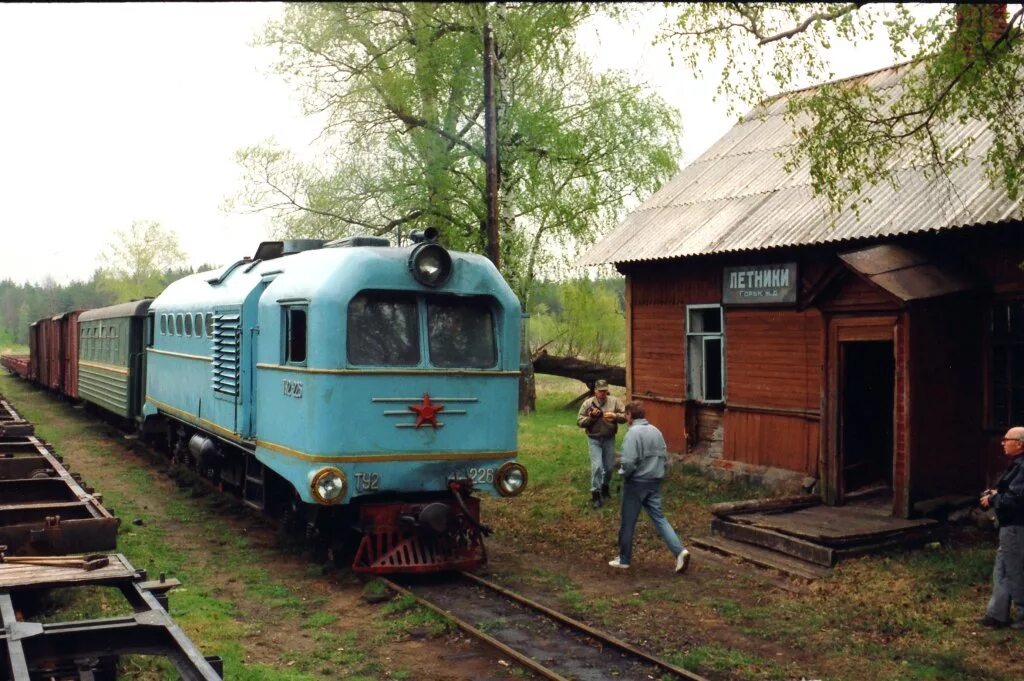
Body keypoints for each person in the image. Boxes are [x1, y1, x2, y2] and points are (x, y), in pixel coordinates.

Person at [608, 401, 690, 573]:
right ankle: (680, 551)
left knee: (628, 522)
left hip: (636, 483)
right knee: (660, 518)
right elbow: (664, 455)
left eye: (626, 414)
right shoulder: (656, 431)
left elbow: (629, 462)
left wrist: (623, 474)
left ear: (630, 415)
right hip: (655, 480)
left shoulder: (633, 434)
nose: (626, 417)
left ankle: (624, 559)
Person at [979, 426, 1024, 628]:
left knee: (1015, 570)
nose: (1003, 443)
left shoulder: (1022, 468)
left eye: (1007, 439)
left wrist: (994, 498)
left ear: (1020, 444)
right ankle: (997, 614)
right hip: (1009, 525)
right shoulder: (1016, 466)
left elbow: (1016, 500)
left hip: (1016, 526)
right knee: (1003, 568)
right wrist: (996, 493)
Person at [576, 379, 626, 509]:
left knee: (609, 468)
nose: (603, 393)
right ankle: (595, 494)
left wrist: (615, 416)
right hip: (594, 439)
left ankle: (605, 487)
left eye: (605, 390)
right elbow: (579, 421)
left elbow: (625, 416)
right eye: (600, 391)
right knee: (597, 466)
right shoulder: (588, 403)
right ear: (595, 391)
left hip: (609, 438)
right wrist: (591, 418)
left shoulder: (615, 401)